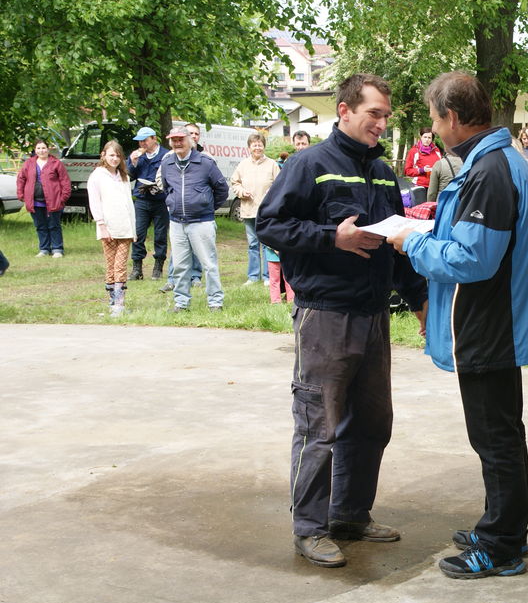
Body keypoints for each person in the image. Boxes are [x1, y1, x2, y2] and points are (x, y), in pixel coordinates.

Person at [257, 73, 428, 568]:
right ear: (345, 111)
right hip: (326, 316)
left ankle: (350, 514)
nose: (381, 123)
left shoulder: (383, 173)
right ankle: (310, 528)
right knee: (320, 424)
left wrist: (420, 303)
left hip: (373, 315)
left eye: (386, 116)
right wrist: (332, 238)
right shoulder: (309, 164)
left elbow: (395, 246)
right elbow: (270, 224)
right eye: (374, 113)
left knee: (372, 422)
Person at [387, 71, 528, 580]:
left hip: (489, 327)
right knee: (499, 435)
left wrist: (412, 242)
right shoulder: (494, 161)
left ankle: (501, 546)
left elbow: (473, 259)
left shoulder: (491, 171)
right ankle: (503, 528)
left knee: (495, 439)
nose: (434, 130)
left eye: (435, 120)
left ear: (452, 117)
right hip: (491, 322)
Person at [157, 126, 228, 312]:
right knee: (180, 265)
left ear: (190, 140)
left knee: (209, 264)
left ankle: (215, 302)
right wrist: (173, 204)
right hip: (177, 223)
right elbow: (166, 188)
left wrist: (207, 207)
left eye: (181, 139)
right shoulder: (167, 164)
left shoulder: (205, 162)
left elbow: (222, 189)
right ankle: (181, 303)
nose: (177, 143)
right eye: (174, 140)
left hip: (202, 222)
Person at [87, 141, 137, 317]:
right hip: (108, 227)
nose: (115, 159)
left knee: (120, 265)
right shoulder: (97, 176)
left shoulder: (124, 176)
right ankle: (113, 302)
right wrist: (101, 224)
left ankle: (119, 304)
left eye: (117, 155)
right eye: (111, 155)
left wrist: (133, 229)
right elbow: (95, 202)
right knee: (111, 265)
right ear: (104, 155)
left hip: (125, 228)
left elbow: (129, 204)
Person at [229, 133, 279, 285]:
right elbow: (235, 182)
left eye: (260, 145)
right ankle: (253, 276)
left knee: (267, 244)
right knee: (252, 244)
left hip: (267, 212)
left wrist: (272, 191)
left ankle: (267, 276)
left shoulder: (272, 164)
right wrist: (241, 192)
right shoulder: (243, 165)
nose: (257, 147)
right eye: (254, 145)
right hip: (249, 209)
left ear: (264, 146)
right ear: (249, 147)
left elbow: (280, 184)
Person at [127, 127, 170, 279]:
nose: (142, 144)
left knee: (160, 235)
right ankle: (137, 269)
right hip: (141, 200)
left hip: (161, 201)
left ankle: (158, 267)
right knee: (138, 234)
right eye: (140, 141)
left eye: (145, 140)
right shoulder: (136, 155)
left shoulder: (166, 155)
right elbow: (129, 177)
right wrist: (132, 163)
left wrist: (159, 187)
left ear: (154, 139)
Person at [16, 139, 71, 258]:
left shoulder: (56, 163)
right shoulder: (28, 163)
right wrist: (21, 194)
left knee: (54, 225)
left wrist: (62, 198)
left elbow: (65, 182)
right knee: (40, 226)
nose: (41, 151)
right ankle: (44, 249)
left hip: (54, 201)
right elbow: (21, 179)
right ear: (35, 150)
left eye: (43, 148)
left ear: (48, 149)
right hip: (35, 202)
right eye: (39, 148)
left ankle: (57, 249)